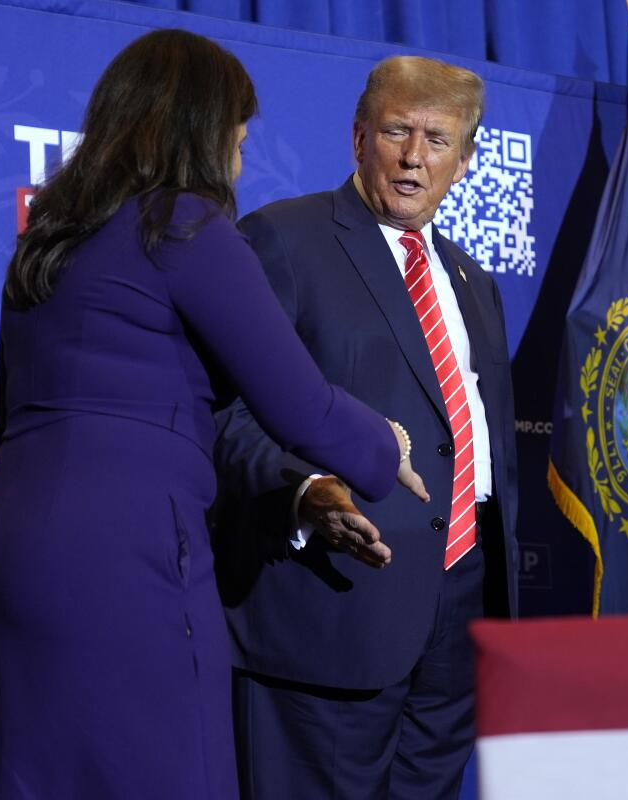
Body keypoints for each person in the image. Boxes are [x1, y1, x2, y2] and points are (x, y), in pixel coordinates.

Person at [0, 29, 425, 800]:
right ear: (203, 133)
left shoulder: (47, 242)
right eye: (237, 140)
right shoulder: (182, 225)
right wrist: (385, 444)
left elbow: (10, 419)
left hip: (10, 559)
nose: (239, 162)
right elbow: (301, 405)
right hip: (122, 566)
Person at [213, 55, 519, 799]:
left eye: (438, 139)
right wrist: (306, 489)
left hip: (462, 602)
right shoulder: (281, 240)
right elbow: (227, 412)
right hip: (335, 596)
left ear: (466, 160)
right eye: (396, 131)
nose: (415, 156)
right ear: (358, 139)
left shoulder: (472, 280)